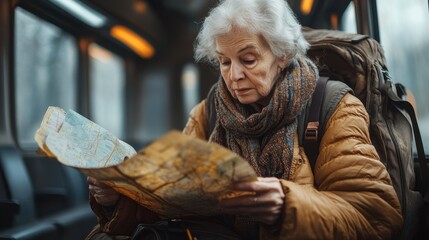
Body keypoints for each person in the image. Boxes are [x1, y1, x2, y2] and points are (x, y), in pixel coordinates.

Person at [86, 0, 403, 239]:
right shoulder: (207, 113)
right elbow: (171, 202)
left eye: (248, 59)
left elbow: (375, 216)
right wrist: (119, 198)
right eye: (224, 62)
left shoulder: (332, 107)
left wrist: (286, 205)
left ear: (282, 54)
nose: (233, 76)